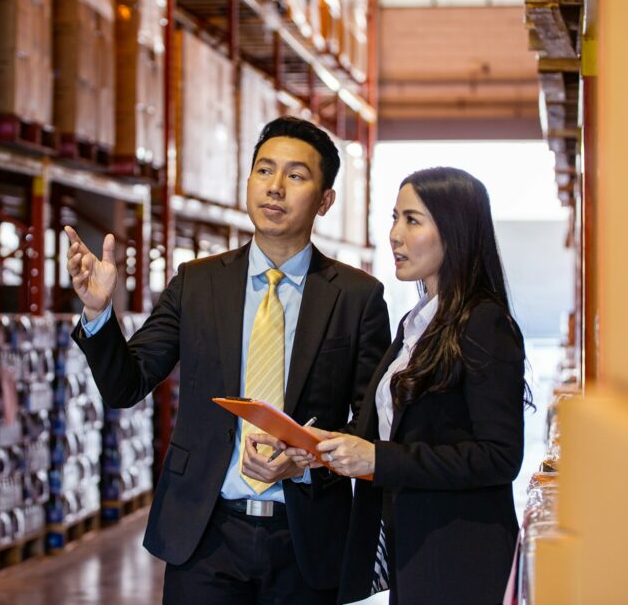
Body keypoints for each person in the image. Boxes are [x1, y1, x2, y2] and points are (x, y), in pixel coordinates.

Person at [64, 116, 391, 604]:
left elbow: (369, 427)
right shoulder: (197, 283)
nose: (275, 188)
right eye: (264, 170)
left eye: (296, 176)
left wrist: (304, 463)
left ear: (325, 201)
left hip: (306, 538)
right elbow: (124, 385)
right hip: (205, 535)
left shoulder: (358, 297)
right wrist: (98, 313)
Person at [273, 166, 530, 604]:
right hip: (412, 546)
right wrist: (326, 446)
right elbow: (397, 431)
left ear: (455, 231)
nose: (395, 234)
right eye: (395, 218)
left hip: (459, 557)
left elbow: (500, 457)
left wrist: (378, 459)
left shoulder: (485, 323)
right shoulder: (418, 322)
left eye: (412, 220)